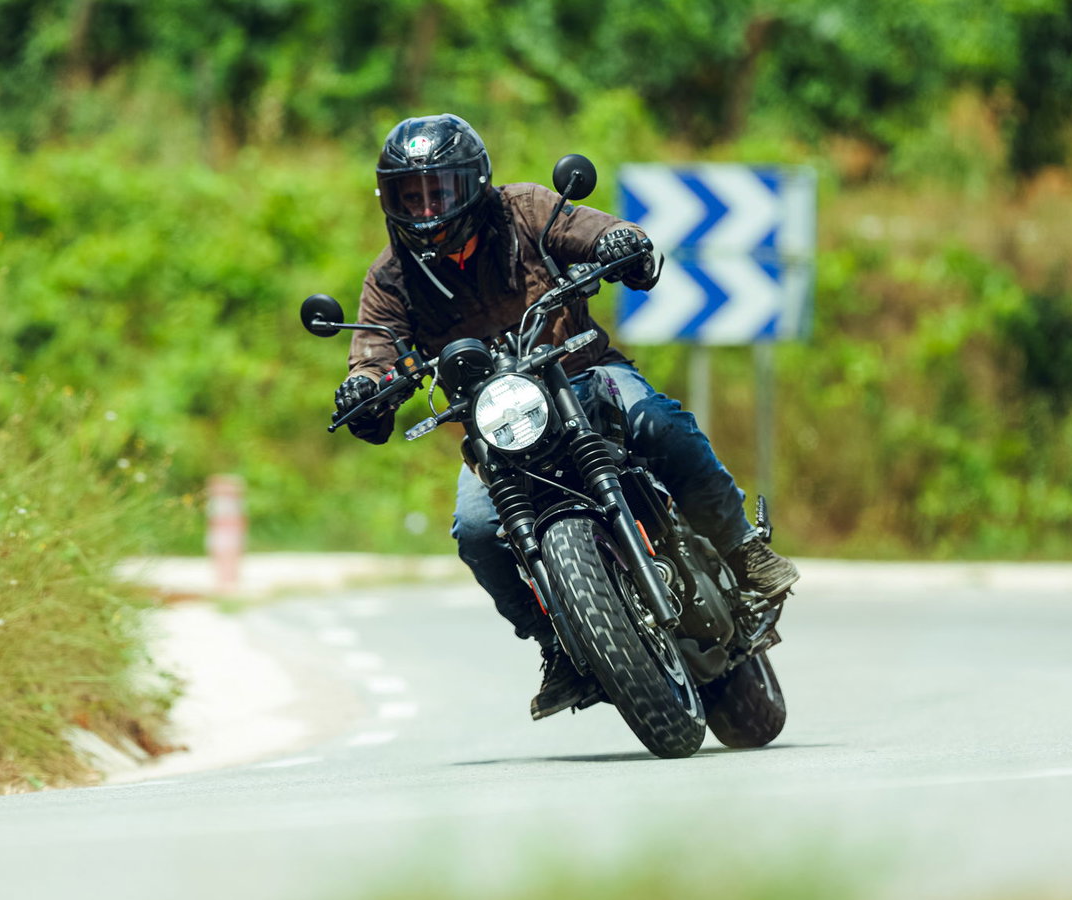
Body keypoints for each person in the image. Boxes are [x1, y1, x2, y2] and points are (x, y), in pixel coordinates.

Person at [335, 113, 799, 720]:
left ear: (474, 184)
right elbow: (374, 352)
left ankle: (742, 550)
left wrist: (618, 243)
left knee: (659, 424)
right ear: (389, 199)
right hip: (498, 425)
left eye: (439, 191)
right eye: (411, 196)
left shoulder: (526, 209)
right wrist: (365, 388)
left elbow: (596, 229)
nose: (426, 209)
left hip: (581, 372)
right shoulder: (391, 276)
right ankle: (556, 646)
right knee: (476, 531)